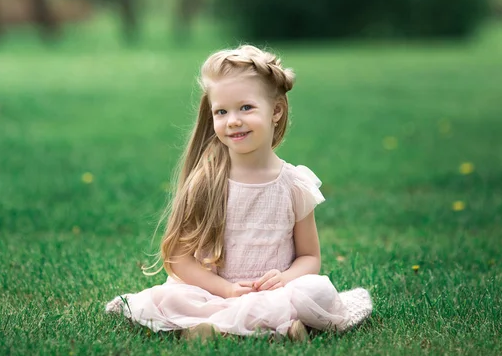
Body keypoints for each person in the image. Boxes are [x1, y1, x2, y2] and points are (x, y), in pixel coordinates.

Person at [105, 45, 372, 340]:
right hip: (214, 293)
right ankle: (263, 330)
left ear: (277, 110)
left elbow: (309, 257)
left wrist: (285, 279)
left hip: (271, 294)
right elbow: (178, 259)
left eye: (245, 107)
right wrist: (227, 290)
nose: (232, 120)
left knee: (315, 290)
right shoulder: (207, 181)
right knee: (177, 297)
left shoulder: (294, 184)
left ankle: (244, 328)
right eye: (221, 111)